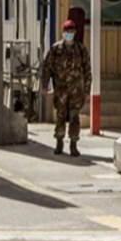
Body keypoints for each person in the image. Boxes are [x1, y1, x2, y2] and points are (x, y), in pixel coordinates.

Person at [42, 19, 91, 155]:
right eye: (67, 30)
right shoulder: (55, 49)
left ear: (75, 32)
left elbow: (87, 70)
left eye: (71, 30)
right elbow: (47, 68)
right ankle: (59, 142)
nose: (69, 33)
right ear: (62, 31)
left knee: (75, 117)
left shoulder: (81, 50)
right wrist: (45, 85)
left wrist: (87, 90)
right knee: (60, 116)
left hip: (76, 90)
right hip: (61, 90)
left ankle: (73, 144)